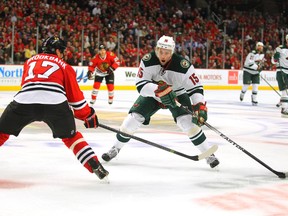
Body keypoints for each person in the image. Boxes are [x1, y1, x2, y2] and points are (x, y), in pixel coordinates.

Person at [101, 35, 219, 168]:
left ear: (172, 52)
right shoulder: (148, 60)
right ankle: (115, 148)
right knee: (133, 118)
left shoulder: (183, 65)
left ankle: (208, 154)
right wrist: (158, 90)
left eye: (167, 52)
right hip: (154, 95)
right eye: (161, 51)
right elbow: (140, 85)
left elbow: (195, 87)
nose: (163, 55)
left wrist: (199, 105)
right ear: (156, 49)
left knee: (187, 122)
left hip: (178, 94)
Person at [0, 36, 109, 180]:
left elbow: (27, 86)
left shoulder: (29, 62)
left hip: (24, 100)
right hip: (55, 103)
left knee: (1, 132)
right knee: (71, 137)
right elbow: (76, 99)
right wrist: (88, 116)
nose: (63, 54)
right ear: (57, 50)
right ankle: (94, 165)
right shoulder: (65, 66)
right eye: (62, 51)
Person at [272, 34, 288, 117]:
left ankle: (282, 102)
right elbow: (273, 61)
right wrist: (275, 57)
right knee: (284, 90)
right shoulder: (280, 48)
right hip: (281, 71)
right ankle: (284, 109)